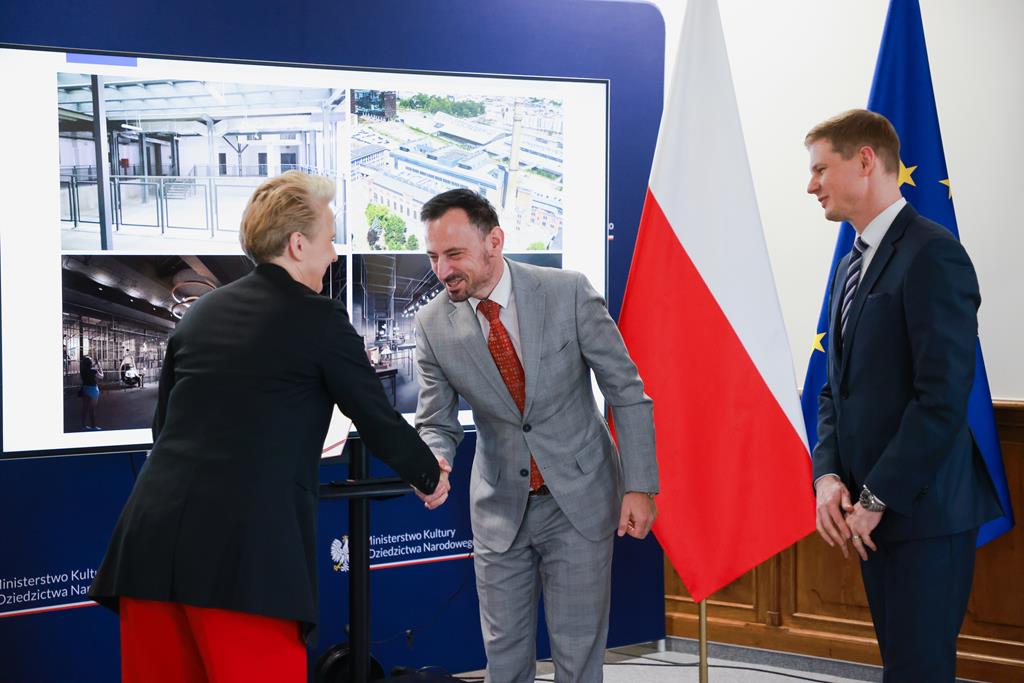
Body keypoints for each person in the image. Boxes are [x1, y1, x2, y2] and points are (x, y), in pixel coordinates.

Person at [88, 171, 444, 683]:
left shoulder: (200, 314)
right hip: (243, 562)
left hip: (146, 550)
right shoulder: (319, 318)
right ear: (298, 244)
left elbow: (163, 427)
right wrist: (429, 476)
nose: (334, 255)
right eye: (329, 240)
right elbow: (377, 417)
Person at [413, 189, 658, 683]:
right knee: (504, 660)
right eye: (434, 257)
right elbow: (436, 422)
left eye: (454, 254)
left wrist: (640, 486)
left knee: (578, 656)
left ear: (495, 241)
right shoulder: (432, 323)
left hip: (580, 499)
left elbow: (626, 391)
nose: (442, 271)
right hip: (499, 509)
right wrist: (434, 461)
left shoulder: (568, 291)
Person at [806, 109, 1002, 681]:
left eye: (821, 169)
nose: (811, 185)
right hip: (872, 517)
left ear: (865, 161)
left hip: (924, 515)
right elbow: (835, 388)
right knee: (902, 667)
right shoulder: (849, 265)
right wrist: (827, 477)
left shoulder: (932, 253)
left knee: (919, 671)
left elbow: (942, 397)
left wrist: (876, 498)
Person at [79, 354, 104, 430]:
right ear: (90, 363)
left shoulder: (82, 371)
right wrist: (99, 366)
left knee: (85, 409)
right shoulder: (94, 371)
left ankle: (83, 426)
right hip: (93, 390)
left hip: (85, 389)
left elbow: (88, 367)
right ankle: (93, 426)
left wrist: (95, 363)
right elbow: (101, 376)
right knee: (92, 410)